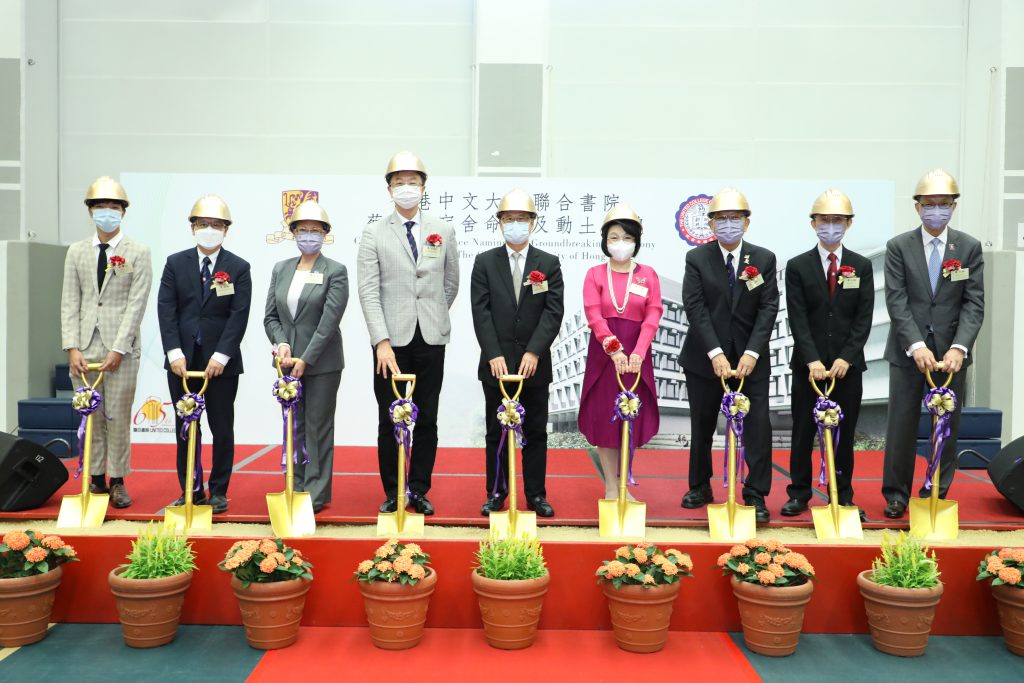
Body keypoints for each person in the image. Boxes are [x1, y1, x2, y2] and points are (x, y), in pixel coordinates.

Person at [357, 151, 459, 516]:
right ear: (389, 189)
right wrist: (381, 341)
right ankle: (393, 490)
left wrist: (430, 313)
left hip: (431, 336)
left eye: (412, 182)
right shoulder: (373, 233)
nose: (406, 188)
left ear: (424, 187)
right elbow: (368, 291)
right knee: (391, 417)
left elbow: (450, 284)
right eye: (399, 183)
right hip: (391, 343)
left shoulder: (443, 230)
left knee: (427, 417)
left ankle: (418, 489)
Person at [881, 169, 985, 519]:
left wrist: (960, 347)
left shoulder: (967, 247)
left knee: (947, 424)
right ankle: (896, 494)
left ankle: (937, 489)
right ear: (917, 207)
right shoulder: (899, 247)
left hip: (951, 354)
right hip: (909, 353)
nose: (936, 210)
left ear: (953, 207)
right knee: (901, 426)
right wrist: (915, 345)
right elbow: (896, 301)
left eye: (943, 205)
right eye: (929, 204)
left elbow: (974, 302)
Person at [678, 188, 779, 524]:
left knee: (758, 426)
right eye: (721, 219)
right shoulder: (697, 259)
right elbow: (695, 307)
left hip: (752, 360)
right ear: (710, 224)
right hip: (706, 358)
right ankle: (699, 486)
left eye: (735, 218)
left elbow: (768, 308)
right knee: (702, 424)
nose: (728, 225)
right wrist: (715, 352)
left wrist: (751, 352)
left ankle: (756, 493)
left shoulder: (763, 259)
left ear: (746, 223)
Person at [60, 176, 152, 508]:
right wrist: (71, 347)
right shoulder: (76, 252)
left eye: (114, 207)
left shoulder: (138, 252)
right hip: (84, 347)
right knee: (91, 416)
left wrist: (118, 348)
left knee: (116, 415)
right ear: (89, 211)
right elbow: (70, 300)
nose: (107, 213)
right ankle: (95, 479)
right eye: (100, 207)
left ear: (123, 212)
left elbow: (136, 304)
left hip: (122, 349)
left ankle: (118, 480)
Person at [470, 189, 564, 517]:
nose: (515, 224)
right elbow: (480, 312)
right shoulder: (484, 263)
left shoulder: (548, 264)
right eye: (509, 219)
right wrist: (493, 353)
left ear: (533, 222)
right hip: (495, 366)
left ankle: (536, 494)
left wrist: (535, 352)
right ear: (499, 223)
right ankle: (496, 492)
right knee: (496, 430)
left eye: (521, 219)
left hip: (533, 366)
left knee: (535, 430)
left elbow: (553, 312)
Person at [782, 189, 874, 521]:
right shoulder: (798, 267)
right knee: (803, 432)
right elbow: (797, 317)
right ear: (813, 223)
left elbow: (864, 318)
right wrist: (813, 360)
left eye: (837, 220)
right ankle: (799, 494)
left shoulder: (860, 266)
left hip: (847, 368)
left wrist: (846, 358)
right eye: (824, 220)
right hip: (809, 367)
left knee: (843, 434)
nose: (830, 227)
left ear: (848, 224)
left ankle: (843, 495)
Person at [157, 195, 252, 514]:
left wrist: (222, 356)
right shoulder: (175, 262)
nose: (208, 230)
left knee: (222, 427)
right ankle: (190, 488)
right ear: (192, 227)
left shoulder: (238, 267)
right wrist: (174, 353)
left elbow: (239, 315)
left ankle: (219, 490)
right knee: (185, 426)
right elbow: (166, 309)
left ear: (226, 230)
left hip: (221, 365)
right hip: (181, 362)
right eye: (202, 225)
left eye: (215, 225)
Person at [264, 199, 348, 514]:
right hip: (286, 364)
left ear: (325, 234)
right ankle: (295, 483)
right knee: (293, 426)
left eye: (315, 230)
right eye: (302, 230)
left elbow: (329, 322)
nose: (308, 236)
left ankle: (315, 490)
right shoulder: (281, 269)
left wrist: (306, 359)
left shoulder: (335, 271)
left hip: (322, 364)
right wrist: (282, 344)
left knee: (317, 426)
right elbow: (271, 316)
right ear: (294, 233)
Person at [578, 206, 663, 500]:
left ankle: (625, 484)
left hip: (638, 353)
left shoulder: (648, 275)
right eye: (613, 237)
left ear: (637, 240)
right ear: (605, 240)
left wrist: (638, 352)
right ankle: (611, 488)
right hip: (605, 355)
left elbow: (653, 315)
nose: (620, 243)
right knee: (606, 418)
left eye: (627, 237)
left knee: (631, 415)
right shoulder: (594, 274)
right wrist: (614, 350)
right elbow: (593, 315)